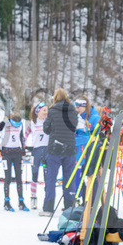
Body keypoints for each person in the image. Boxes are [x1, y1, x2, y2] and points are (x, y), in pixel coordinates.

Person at [40, 88, 79, 216]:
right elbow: (74, 127)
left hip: (55, 148)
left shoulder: (52, 110)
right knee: (69, 179)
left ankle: (48, 208)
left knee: (51, 179)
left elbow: (46, 129)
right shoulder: (73, 111)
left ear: (55, 97)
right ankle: (69, 207)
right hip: (70, 148)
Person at [0, 110, 29, 211]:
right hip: (6, 154)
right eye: (14, 125)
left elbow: (22, 137)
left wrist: (24, 149)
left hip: (17, 153)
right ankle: (6, 202)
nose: (16, 126)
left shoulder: (21, 124)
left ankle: (21, 202)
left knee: (19, 178)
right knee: (7, 178)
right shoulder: (4, 123)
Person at [25, 101, 49, 209]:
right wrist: (23, 146)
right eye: (44, 110)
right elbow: (25, 135)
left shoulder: (48, 122)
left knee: (46, 175)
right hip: (36, 152)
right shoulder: (32, 123)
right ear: (38, 111)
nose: (46, 112)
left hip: (47, 151)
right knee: (34, 174)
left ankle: (47, 199)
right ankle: (33, 198)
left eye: (47, 110)